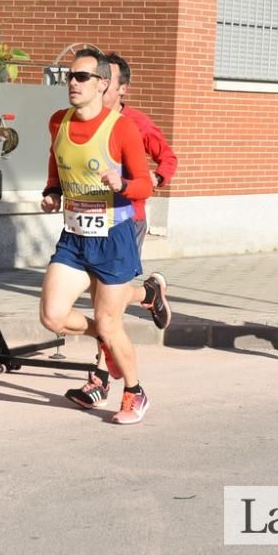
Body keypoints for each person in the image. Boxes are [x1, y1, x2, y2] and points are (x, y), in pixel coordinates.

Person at [39, 48, 154, 424]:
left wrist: (123, 183)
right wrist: (52, 191)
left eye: (81, 77)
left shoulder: (121, 128)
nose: (72, 82)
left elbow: (144, 186)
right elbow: (57, 162)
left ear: (103, 84)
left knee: (110, 321)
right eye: (70, 76)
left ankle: (135, 392)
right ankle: (104, 341)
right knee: (52, 316)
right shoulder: (59, 121)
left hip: (113, 237)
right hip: (74, 236)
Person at [63, 52, 177, 410]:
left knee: (104, 310)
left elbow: (167, 160)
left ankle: (99, 380)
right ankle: (147, 293)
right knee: (102, 306)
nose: (98, 85)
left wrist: (150, 179)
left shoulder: (133, 123)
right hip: (85, 223)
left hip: (128, 218)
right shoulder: (76, 122)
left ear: (119, 88)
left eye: (105, 80)